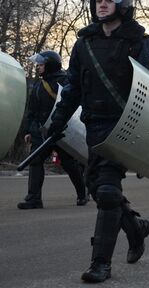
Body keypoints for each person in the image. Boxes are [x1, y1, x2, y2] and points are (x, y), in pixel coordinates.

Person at [47, 0, 149, 282]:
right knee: (98, 188)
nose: (101, 4)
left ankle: (101, 263)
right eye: (97, 0)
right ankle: (136, 228)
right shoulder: (83, 44)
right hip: (93, 126)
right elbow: (72, 89)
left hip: (125, 128)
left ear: (122, 5)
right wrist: (56, 122)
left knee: (109, 190)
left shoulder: (141, 44)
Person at [17, 50, 87, 209]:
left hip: (62, 131)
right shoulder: (38, 85)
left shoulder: (66, 82)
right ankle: (34, 198)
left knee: (69, 164)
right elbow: (32, 110)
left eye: (41, 64)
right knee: (36, 160)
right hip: (41, 133)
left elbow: (73, 107)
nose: (38, 67)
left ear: (50, 65)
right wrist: (28, 130)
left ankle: (82, 193)